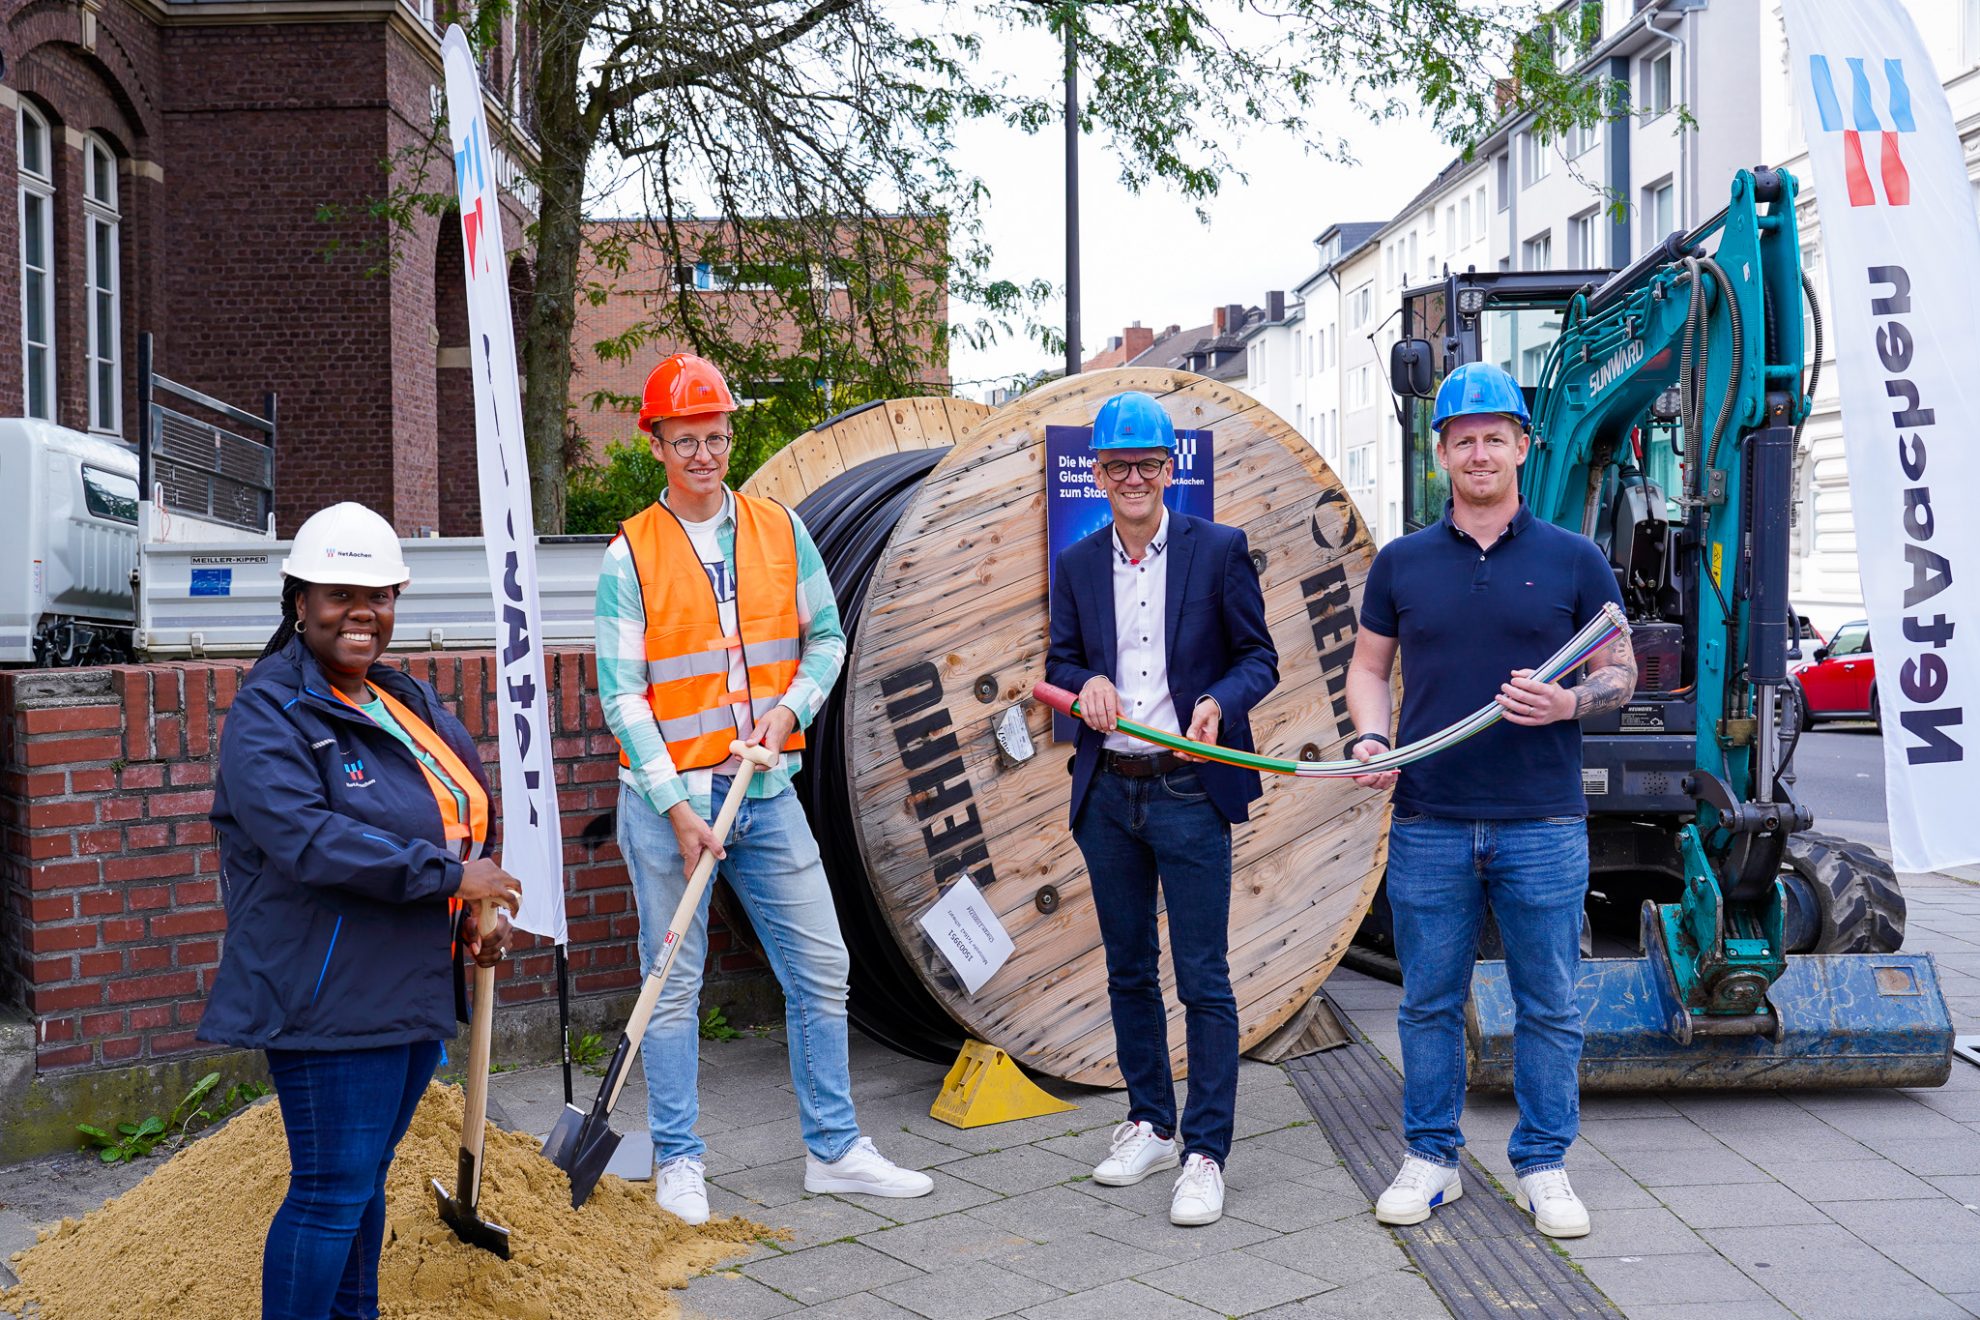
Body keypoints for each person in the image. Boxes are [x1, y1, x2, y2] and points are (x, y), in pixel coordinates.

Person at [596, 351, 933, 1224]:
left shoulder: (780, 530)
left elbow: (827, 640)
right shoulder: (630, 554)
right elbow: (621, 696)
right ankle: (679, 1161)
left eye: (715, 437)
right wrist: (676, 809)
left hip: (765, 789)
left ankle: (834, 1150)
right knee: (671, 987)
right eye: (685, 441)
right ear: (657, 444)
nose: (704, 455)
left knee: (821, 966)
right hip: (668, 804)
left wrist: (788, 714)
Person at [202, 502, 523, 1320]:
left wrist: (467, 914)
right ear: (300, 601)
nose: (361, 614)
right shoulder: (270, 714)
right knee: (328, 1194)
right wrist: (451, 879)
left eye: (378, 596)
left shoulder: (398, 698)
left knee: (362, 1184)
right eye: (339, 595)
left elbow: (454, 816)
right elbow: (310, 841)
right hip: (329, 996)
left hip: (409, 984)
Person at [1344, 362, 1636, 1240]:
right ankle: (1432, 1158)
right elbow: (1369, 669)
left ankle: (1544, 1163)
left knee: (1549, 1002)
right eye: (1463, 439)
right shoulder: (1401, 563)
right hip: (1429, 816)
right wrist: (1370, 738)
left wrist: (1567, 703)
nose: (1479, 453)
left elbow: (1619, 670)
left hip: (1542, 821)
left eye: (1494, 437)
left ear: (1521, 446)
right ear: (1441, 454)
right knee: (1427, 1001)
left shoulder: (1574, 559)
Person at [1045, 390, 1280, 1227]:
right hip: (1109, 791)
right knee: (1128, 968)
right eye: (1119, 466)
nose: (1134, 478)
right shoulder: (1077, 564)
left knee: (1204, 977)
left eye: (1148, 464)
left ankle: (1205, 1153)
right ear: (1098, 473)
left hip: (1189, 791)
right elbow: (1059, 661)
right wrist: (1084, 683)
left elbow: (1260, 658)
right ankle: (1150, 1121)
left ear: (1170, 469)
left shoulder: (1219, 550)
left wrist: (1216, 702)